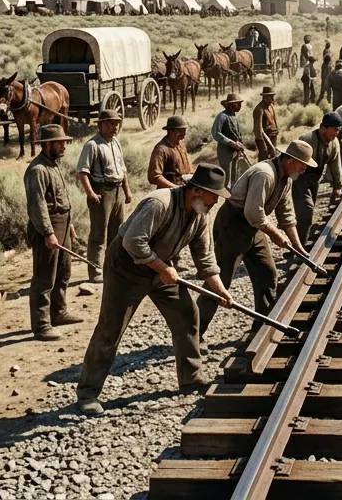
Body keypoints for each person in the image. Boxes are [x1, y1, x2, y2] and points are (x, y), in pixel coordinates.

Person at [76, 165, 235, 415]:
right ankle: (87, 393)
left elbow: (205, 260)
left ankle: (191, 377)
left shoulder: (200, 215)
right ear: (196, 191)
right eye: (213, 195)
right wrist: (162, 267)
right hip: (125, 267)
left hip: (160, 267)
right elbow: (132, 241)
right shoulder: (159, 203)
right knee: (111, 329)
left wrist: (221, 290)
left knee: (187, 315)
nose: (216, 201)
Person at [197, 141, 317, 335]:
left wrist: (299, 247)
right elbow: (254, 212)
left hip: (253, 227)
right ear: (289, 160)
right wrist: (276, 235)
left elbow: (286, 215)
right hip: (234, 224)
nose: (304, 169)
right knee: (221, 280)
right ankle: (194, 331)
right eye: (302, 164)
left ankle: (262, 326)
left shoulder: (286, 179)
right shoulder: (265, 173)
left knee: (267, 273)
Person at [24, 124, 81, 341]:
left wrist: (70, 224)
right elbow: (37, 206)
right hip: (46, 227)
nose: (64, 146)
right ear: (47, 145)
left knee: (64, 271)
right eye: (60, 142)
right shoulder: (37, 170)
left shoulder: (53, 165)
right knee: (44, 277)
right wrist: (48, 232)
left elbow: (60, 198)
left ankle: (59, 312)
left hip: (62, 224)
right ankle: (41, 325)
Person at [76, 109, 132, 282]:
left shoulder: (116, 142)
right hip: (101, 193)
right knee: (98, 234)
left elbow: (122, 169)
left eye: (116, 123)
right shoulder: (92, 145)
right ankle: (95, 271)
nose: (114, 127)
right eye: (109, 123)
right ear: (100, 125)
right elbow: (82, 172)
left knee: (117, 233)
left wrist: (127, 191)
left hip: (117, 192)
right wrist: (91, 193)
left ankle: (113, 267)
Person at [293, 113, 342, 244]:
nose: (336, 133)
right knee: (307, 210)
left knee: (305, 214)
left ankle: (298, 242)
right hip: (299, 178)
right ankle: (300, 246)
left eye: (338, 130)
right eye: (334, 130)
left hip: (315, 179)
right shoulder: (307, 140)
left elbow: (335, 165)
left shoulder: (334, 143)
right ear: (323, 128)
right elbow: (292, 162)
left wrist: (338, 187)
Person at [211, 93, 248, 187]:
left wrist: (240, 144)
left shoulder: (233, 116)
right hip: (225, 152)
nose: (240, 106)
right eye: (237, 104)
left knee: (234, 177)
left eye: (240, 103)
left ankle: (232, 197)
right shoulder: (222, 116)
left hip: (235, 151)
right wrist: (230, 142)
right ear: (230, 105)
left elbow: (236, 133)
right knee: (226, 178)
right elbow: (216, 133)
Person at [148, 115, 193, 189]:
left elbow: (188, 169)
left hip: (184, 189)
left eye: (184, 130)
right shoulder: (160, 150)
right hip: (167, 192)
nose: (184, 133)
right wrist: (175, 188)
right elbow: (154, 176)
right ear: (171, 131)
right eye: (180, 130)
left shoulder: (181, 145)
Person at [252, 86, 279, 161]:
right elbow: (259, 131)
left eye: (273, 96)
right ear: (264, 97)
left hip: (273, 136)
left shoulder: (271, 106)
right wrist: (269, 145)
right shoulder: (259, 110)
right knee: (264, 158)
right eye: (270, 97)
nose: (273, 99)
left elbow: (274, 121)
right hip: (263, 139)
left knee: (273, 157)